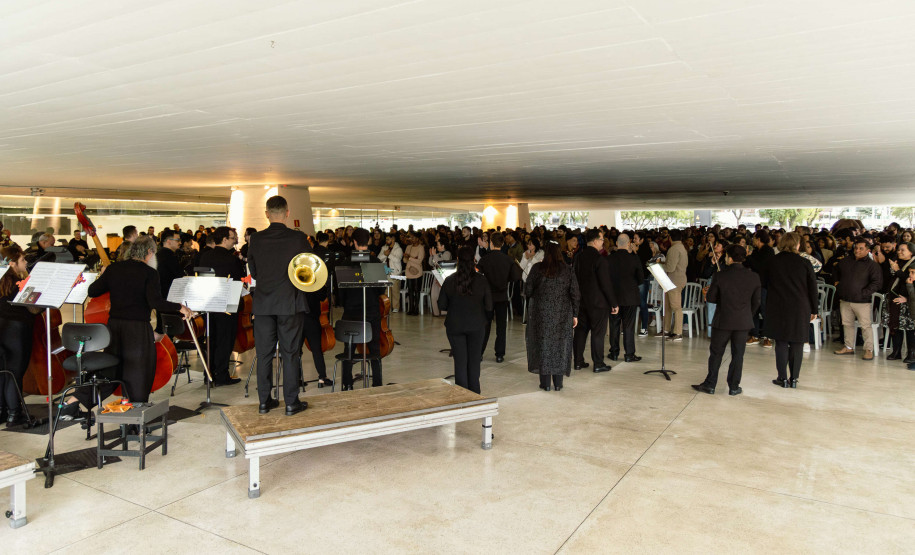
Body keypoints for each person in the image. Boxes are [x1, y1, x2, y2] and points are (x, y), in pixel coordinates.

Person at [58, 237, 193, 417]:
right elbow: (155, 302)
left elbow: (93, 291)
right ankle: (135, 416)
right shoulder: (149, 273)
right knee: (139, 370)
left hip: (113, 328)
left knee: (112, 369)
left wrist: (104, 274)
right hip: (137, 329)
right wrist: (180, 307)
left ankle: (75, 401)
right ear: (149, 253)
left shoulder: (114, 268)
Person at [248, 196, 311, 415]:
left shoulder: (255, 239)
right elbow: (308, 270)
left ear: (267, 213)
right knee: (290, 353)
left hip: (263, 304)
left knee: (264, 354)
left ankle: (264, 402)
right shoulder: (298, 238)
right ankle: (292, 403)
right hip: (289, 303)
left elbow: (253, 272)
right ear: (287, 213)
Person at [692, 245, 760, 396]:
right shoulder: (754, 277)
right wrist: (748, 315)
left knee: (716, 353)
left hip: (723, 320)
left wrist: (707, 292)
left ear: (729, 257)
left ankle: (710, 385)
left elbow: (711, 298)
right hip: (743, 321)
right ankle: (734, 387)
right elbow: (756, 302)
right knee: (738, 354)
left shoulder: (721, 275)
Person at [763, 232, 819, 388]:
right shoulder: (805, 263)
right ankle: (794, 379)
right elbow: (812, 288)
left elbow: (764, 283)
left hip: (778, 305)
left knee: (781, 342)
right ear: (797, 245)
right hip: (800, 306)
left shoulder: (772, 261)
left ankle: (782, 378)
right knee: (797, 343)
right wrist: (814, 309)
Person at [525, 241, 580, 391]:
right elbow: (575, 293)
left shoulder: (538, 268)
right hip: (562, 313)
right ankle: (558, 383)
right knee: (560, 346)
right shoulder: (567, 270)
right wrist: (575, 314)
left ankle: (545, 383)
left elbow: (528, 290)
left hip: (541, 313)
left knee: (543, 345)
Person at [438, 247, 492, 393]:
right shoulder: (482, 280)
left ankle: (462, 396)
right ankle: (475, 393)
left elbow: (441, 305)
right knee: (474, 361)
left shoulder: (449, 280)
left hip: (455, 325)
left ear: (457, 261)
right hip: (476, 325)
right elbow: (489, 305)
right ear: (474, 261)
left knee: (460, 362)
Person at [198, 226, 246, 386]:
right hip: (228, 302)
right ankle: (222, 375)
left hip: (209, 303)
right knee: (225, 341)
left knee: (211, 339)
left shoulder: (205, 256)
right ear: (224, 240)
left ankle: (208, 374)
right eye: (233, 238)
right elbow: (241, 280)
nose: (235, 241)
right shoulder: (232, 259)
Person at [338, 228, 385, 390]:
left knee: (348, 349)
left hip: (351, 312)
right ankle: (377, 384)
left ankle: (347, 383)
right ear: (369, 241)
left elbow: (340, 293)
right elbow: (381, 290)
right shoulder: (376, 262)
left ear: (354, 242)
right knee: (374, 349)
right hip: (371, 311)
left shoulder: (345, 264)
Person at [0, 246, 39, 425]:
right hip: (17, 330)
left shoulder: (2, 281)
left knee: (4, 371)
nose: (25, 262)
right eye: (23, 260)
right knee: (16, 372)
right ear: (12, 263)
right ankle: (14, 415)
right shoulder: (19, 283)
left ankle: (3, 411)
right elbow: (33, 309)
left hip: (3, 328)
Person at [573, 228, 618, 372]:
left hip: (581, 301)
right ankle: (598, 363)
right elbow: (606, 285)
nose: (603, 243)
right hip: (598, 303)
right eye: (602, 240)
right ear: (595, 241)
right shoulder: (600, 259)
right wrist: (614, 303)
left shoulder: (578, 257)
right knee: (598, 333)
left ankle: (578, 362)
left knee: (580, 331)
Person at [833, 238, 882, 360]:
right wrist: (837, 283)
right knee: (847, 324)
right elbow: (835, 269)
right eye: (856, 248)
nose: (857, 251)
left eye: (861, 248)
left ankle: (868, 350)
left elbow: (877, 283)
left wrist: (864, 293)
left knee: (865, 326)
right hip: (845, 299)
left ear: (867, 250)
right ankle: (849, 347)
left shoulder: (872, 266)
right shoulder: (846, 261)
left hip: (862, 301)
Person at [478, 232, 521, 363]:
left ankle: (479, 353)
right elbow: (516, 277)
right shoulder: (508, 260)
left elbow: (477, 276)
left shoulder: (484, 259)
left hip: (487, 297)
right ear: (502, 244)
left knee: (485, 325)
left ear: (491, 243)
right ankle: (500, 354)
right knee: (501, 327)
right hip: (502, 297)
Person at [608, 233, 644, 362]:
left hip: (614, 297)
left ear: (617, 244)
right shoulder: (634, 258)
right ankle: (629, 354)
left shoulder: (609, 259)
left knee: (614, 325)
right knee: (628, 326)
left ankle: (614, 353)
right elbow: (641, 279)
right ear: (629, 243)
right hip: (630, 297)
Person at [883, 242, 915, 363]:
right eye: (899, 250)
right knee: (895, 326)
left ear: (911, 252)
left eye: (903, 250)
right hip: (894, 298)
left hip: (907, 300)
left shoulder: (913, 264)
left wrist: (897, 271)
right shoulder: (896, 261)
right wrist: (892, 269)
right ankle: (896, 351)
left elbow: (910, 280)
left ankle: (911, 353)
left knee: (909, 328)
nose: (899, 252)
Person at [154, 229, 184, 335]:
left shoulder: (158, 254)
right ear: (168, 241)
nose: (180, 242)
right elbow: (180, 276)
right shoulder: (169, 256)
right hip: (169, 297)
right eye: (178, 240)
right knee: (167, 329)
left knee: (162, 327)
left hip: (160, 295)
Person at [661, 229, 688, 341]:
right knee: (667, 306)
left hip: (674, 281)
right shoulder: (682, 247)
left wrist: (659, 265)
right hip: (676, 280)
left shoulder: (674, 249)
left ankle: (678, 333)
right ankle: (666, 330)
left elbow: (670, 267)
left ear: (670, 238)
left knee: (676, 307)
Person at [378, 232, 403, 313]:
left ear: (393, 239)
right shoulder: (384, 248)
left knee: (395, 290)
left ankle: (395, 307)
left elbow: (398, 259)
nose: (387, 241)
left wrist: (388, 255)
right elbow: (379, 258)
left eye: (388, 239)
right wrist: (385, 255)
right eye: (386, 239)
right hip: (386, 270)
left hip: (395, 272)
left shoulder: (398, 249)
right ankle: (387, 306)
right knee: (386, 290)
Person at [403, 233, 425, 315]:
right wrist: (410, 258)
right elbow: (404, 261)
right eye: (411, 238)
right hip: (409, 271)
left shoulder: (421, 248)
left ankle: (416, 309)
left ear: (418, 239)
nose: (411, 239)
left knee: (417, 291)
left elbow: (419, 261)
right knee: (410, 291)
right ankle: (411, 308)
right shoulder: (408, 247)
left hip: (417, 272)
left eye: (413, 238)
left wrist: (409, 257)